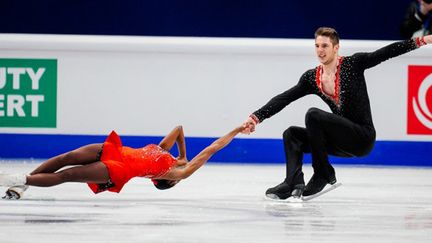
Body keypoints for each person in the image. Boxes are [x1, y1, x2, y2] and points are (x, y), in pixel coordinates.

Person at [242, 27, 432, 200]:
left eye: (325, 45)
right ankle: (292, 181)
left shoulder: (353, 64)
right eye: (317, 45)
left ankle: (322, 173)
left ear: (336, 48)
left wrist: (423, 41)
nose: (320, 50)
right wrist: (256, 117)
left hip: (362, 138)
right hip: (339, 141)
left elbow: (387, 52)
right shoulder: (311, 78)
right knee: (292, 134)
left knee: (313, 115)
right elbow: (284, 98)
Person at [0, 125, 243, 199]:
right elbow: (179, 128)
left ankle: (20, 179)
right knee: (66, 158)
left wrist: (236, 130)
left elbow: (211, 149)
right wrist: (182, 155)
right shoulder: (163, 153)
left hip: (118, 169)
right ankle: (23, 184)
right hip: (114, 150)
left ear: (167, 182)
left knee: (68, 174)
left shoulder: (176, 174)